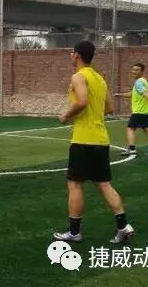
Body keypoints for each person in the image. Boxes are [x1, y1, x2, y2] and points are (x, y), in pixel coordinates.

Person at [53, 40, 134, 244]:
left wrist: (66, 115)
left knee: (75, 184)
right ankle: (123, 226)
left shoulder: (78, 76)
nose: (71, 56)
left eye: (72, 52)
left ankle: (74, 232)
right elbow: (109, 108)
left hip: (83, 140)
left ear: (77, 55)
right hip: (101, 139)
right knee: (104, 184)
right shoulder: (99, 79)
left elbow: (82, 101)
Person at [114, 63, 148, 157]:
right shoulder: (143, 81)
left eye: (137, 70)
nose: (134, 72)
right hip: (147, 111)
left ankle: (132, 149)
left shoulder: (138, 82)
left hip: (139, 111)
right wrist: (120, 95)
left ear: (142, 72)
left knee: (130, 129)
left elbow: (144, 92)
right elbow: (132, 94)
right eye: (133, 70)